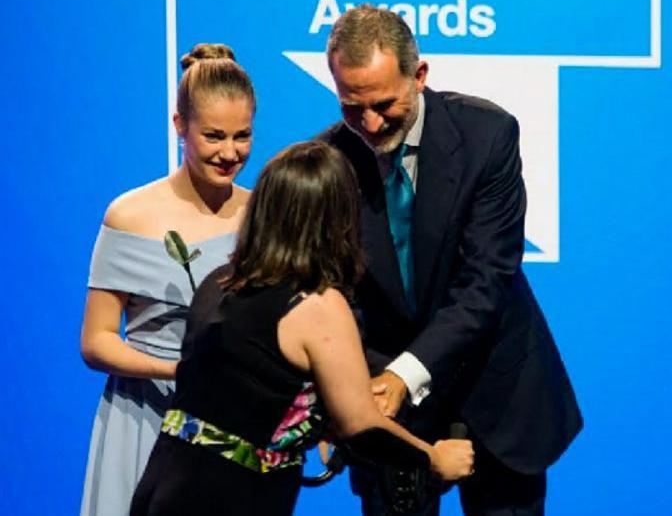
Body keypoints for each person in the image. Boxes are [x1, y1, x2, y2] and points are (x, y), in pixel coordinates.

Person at [318, 6, 581, 516]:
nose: (369, 124)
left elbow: (486, 281)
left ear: (419, 76)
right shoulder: (326, 164)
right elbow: (338, 301)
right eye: (352, 107)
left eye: (383, 104)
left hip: (497, 395)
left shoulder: (488, 136)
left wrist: (402, 376)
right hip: (388, 412)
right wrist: (359, 389)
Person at [130, 141, 474, 515]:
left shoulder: (220, 281)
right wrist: (434, 458)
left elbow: (244, 395)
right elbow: (360, 425)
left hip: (163, 484)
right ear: (338, 219)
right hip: (230, 498)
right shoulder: (317, 306)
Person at [79, 44, 255, 516]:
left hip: (230, 424)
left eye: (242, 136)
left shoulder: (262, 213)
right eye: (214, 136)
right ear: (180, 126)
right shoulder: (129, 215)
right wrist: (176, 371)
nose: (229, 153)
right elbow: (96, 342)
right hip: (144, 416)